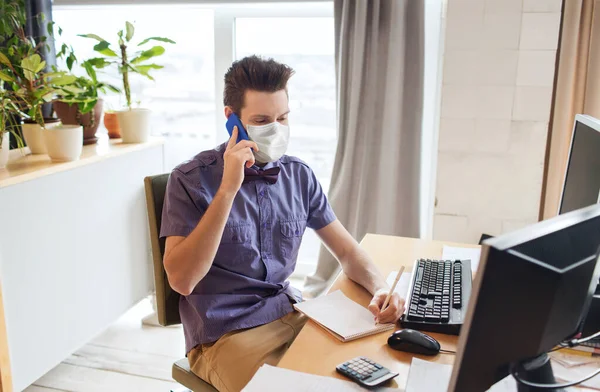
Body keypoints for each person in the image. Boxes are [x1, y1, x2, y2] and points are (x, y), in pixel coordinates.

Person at [160, 55, 405, 392]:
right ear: (232, 120)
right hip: (225, 335)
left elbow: (348, 252)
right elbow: (183, 280)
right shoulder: (189, 180)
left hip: (292, 312)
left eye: (283, 117)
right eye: (262, 120)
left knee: (378, 383)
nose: (276, 129)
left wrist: (380, 288)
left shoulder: (298, 175)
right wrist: (229, 189)